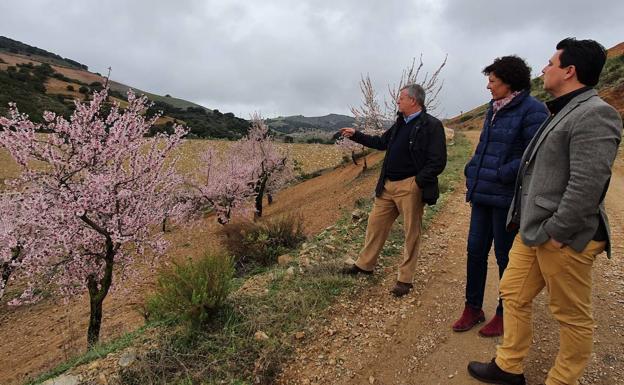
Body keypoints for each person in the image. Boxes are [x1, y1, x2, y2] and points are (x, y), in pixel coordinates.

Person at [468, 38, 622, 385]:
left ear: (569, 71)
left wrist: (558, 231)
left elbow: (588, 184)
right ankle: (509, 367)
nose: (543, 69)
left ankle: (563, 380)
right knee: (513, 292)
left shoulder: (596, 114)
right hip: (533, 229)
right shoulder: (563, 108)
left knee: (571, 316)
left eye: (551, 63)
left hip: (562, 236)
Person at [452, 56, 548, 337]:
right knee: (474, 252)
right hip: (481, 195)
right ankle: (473, 308)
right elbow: (483, 147)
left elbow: (534, 155)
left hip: (506, 198)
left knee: (506, 258)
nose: (488, 86)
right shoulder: (493, 109)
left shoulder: (533, 111)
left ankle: (505, 313)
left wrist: (501, 173)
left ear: (509, 82)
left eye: (492, 81)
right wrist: (472, 170)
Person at [339, 83, 447, 297]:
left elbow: (438, 161)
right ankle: (364, 265)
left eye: (401, 98)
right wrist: (356, 135)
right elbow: (381, 143)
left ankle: (405, 279)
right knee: (375, 224)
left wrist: (417, 182)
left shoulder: (431, 125)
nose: (397, 101)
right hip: (387, 185)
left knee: (411, 233)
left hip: (410, 187)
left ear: (413, 101)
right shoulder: (400, 123)